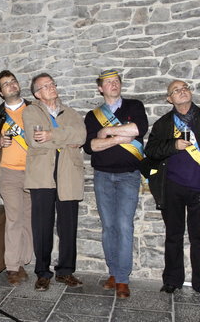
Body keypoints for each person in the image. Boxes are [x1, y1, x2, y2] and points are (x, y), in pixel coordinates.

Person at [84, 69, 148, 299]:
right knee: (108, 226)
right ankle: (113, 272)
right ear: (100, 88)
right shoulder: (92, 116)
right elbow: (91, 147)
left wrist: (107, 132)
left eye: (116, 81)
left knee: (124, 225)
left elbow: (138, 130)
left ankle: (122, 279)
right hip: (102, 176)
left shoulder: (134, 106)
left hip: (128, 175)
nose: (114, 84)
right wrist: (121, 137)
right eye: (108, 82)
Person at [23, 73, 86, 292]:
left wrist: (51, 135)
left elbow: (81, 136)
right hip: (42, 175)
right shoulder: (30, 111)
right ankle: (42, 273)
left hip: (69, 173)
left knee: (68, 225)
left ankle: (65, 271)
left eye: (52, 84)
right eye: (45, 86)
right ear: (36, 93)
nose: (51, 87)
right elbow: (34, 140)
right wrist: (64, 139)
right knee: (42, 226)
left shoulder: (71, 112)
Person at [144, 80, 200, 294]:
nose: (182, 91)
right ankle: (172, 280)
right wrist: (174, 145)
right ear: (170, 99)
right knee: (173, 235)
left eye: (185, 87)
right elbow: (151, 151)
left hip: (198, 187)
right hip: (173, 187)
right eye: (176, 90)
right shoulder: (163, 123)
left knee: (199, 237)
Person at [0, 70, 32, 285]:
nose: (11, 85)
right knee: (14, 217)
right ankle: (12, 266)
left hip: (33, 172)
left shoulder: (34, 109)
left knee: (29, 219)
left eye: (13, 81)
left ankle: (24, 261)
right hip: (8, 172)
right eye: (6, 84)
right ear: (0, 92)